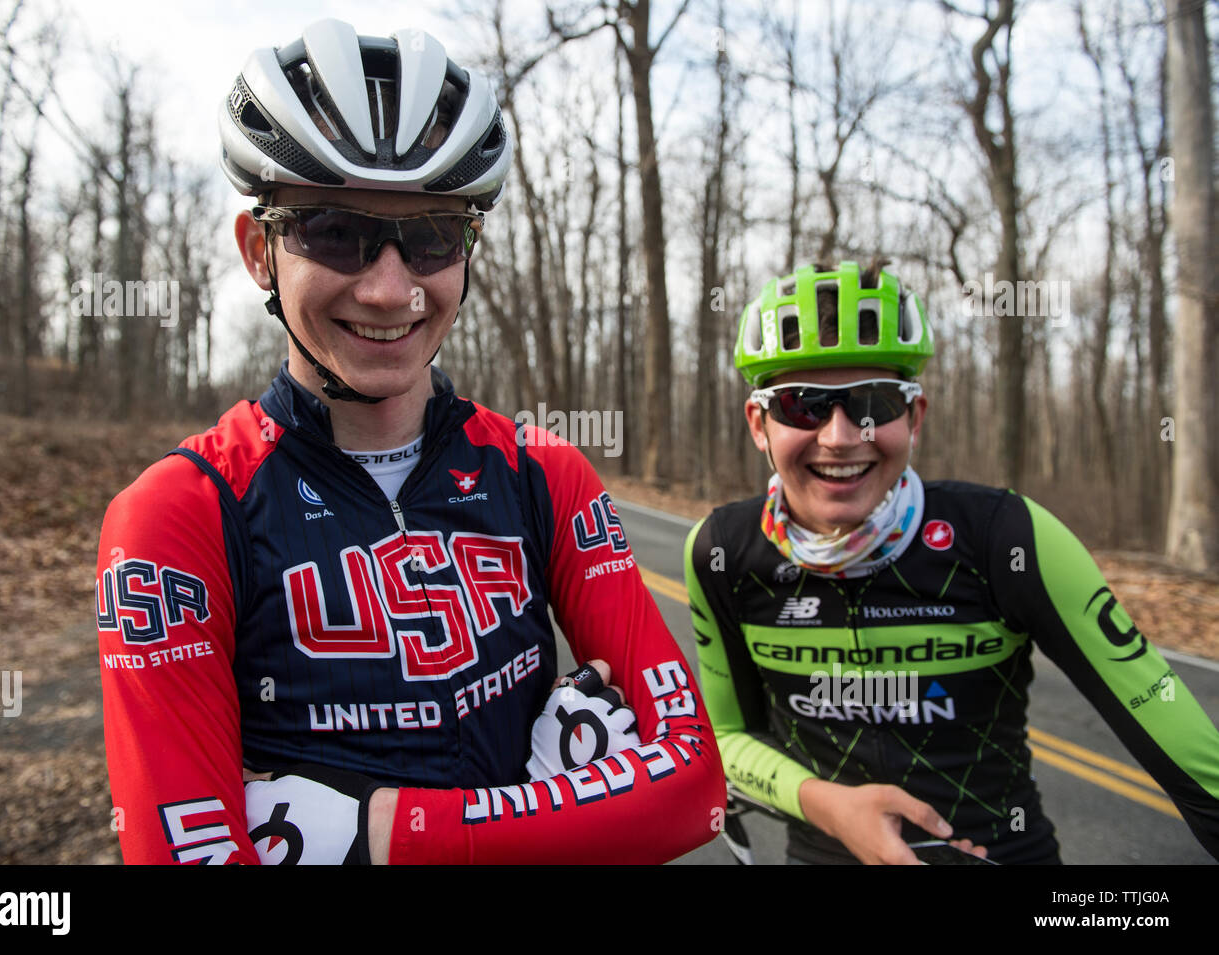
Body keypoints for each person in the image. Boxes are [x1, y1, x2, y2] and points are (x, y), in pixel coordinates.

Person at [97, 19, 722, 865]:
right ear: (259, 251)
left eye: (432, 235)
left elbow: (694, 790)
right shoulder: (178, 515)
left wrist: (375, 830)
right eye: (334, 232)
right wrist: (563, 811)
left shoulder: (544, 471)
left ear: (467, 250)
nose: (390, 289)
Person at [684, 260, 1219, 865]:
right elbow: (724, 739)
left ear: (914, 418)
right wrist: (826, 805)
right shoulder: (722, 552)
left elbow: (1184, 746)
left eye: (873, 404)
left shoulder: (1005, 538)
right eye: (802, 406)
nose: (838, 436)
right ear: (760, 424)